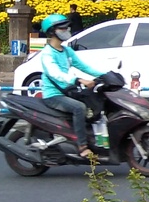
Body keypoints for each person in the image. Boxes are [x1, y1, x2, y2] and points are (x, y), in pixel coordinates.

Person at [39, 13, 105, 160]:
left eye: (66, 27)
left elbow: (84, 66)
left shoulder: (67, 51)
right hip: (54, 95)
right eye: (62, 29)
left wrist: (106, 75)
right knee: (79, 108)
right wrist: (78, 80)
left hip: (67, 91)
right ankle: (82, 147)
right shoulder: (47, 54)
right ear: (52, 32)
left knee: (94, 104)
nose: (66, 30)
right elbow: (55, 74)